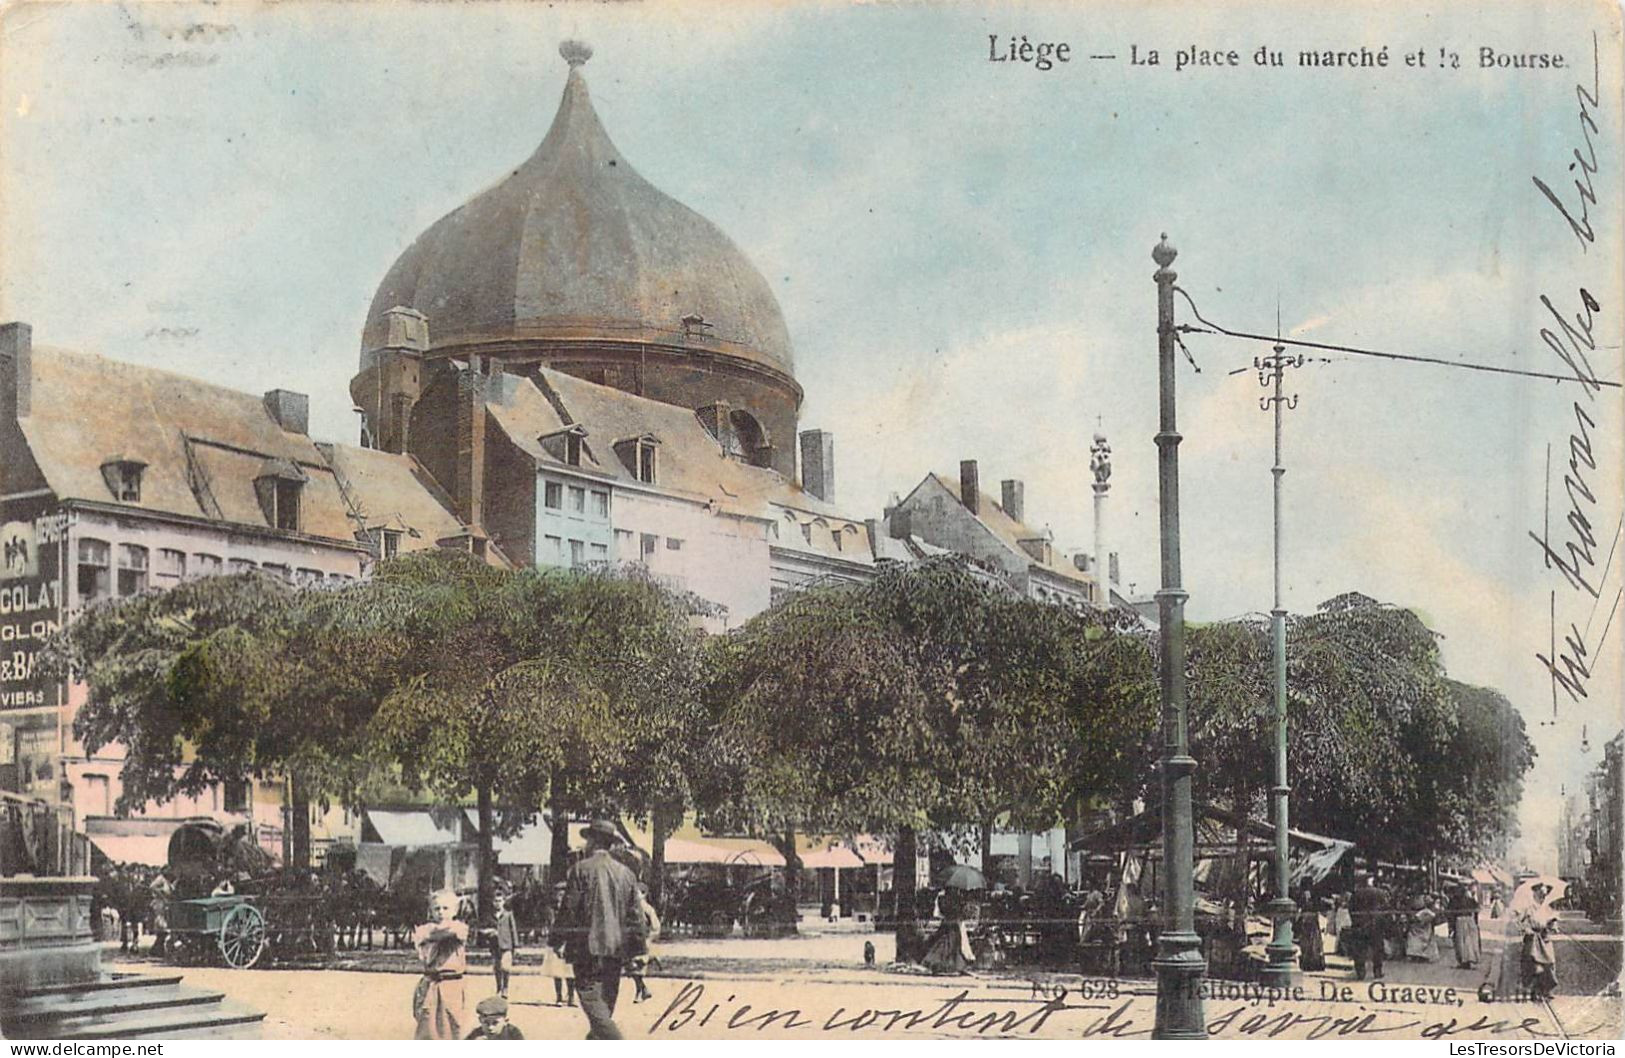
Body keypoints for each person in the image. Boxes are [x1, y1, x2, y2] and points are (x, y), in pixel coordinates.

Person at [551, 819, 647, 1040]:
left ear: (592, 842)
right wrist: (638, 950)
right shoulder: (626, 874)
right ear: (611, 844)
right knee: (603, 1012)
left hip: (586, 952)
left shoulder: (580, 870)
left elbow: (568, 910)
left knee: (599, 1016)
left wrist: (556, 941)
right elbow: (636, 918)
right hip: (616, 953)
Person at [411, 889, 470, 1040]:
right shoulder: (425, 928)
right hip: (431, 982)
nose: (441, 912)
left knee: (452, 1025)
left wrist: (432, 935)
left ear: (455, 910)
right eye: (437, 908)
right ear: (430, 910)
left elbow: (454, 933)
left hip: (451, 983)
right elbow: (423, 936)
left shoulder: (460, 927)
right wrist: (432, 934)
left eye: (446, 908)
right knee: (427, 1025)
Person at [1509, 881, 1559, 1000]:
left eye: (1545, 895)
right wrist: (1526, 929)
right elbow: (1518, 921)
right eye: (1541, 894)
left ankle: (1546, 989)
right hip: (1532, 939)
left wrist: (1553, 926)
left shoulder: (1548, 909)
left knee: (1549, 963)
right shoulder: (1528, 909)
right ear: (1534, 894)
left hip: (1545, 938)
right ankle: (1534, 990)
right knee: (1533, 964)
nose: (1543, 897)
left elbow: (1553, 923)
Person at [1348, 871, 1389, 981]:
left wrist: (1355, 921)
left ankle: (1360, 972)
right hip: (1376, 925)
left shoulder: (1356, 894)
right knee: (1377, 949)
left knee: (1360, 949)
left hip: (1360, 925)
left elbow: (1351, 909)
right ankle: (1377, 971)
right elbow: (1386, 908)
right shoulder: (1380, 893)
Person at [482, 885, 519, 998]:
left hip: (506, 945)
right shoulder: (489, 916)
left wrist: (516, 946)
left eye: (500, 901)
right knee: (497, 968)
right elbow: (483, 929)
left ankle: (506, 988)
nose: (498, 903)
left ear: (503, 901)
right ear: (493, 902)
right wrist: (488, 932)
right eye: (495, 901)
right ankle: (499, 987)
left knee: (505, 967)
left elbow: (513, 930)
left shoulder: (508, 915)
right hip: (494, 945)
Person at [627, 883, 660, 1003]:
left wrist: (649, 939)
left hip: (643, 941)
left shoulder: (647, 909)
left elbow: (656, 927)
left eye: (637, 893)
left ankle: (639, 992)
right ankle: (644, 989)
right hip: (632, 941)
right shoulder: (630, 908)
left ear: (643, 894)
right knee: (630, 967)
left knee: (637, 966)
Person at [1446, 885, 1482, 969]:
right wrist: (1476, 922)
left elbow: (1450, 914)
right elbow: (1477, 910)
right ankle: (1469, 960)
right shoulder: (1470, 900)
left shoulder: (1454, 901)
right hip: (1470, 921)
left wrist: (1451, 926)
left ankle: (1463, 961)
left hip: (1460, 921)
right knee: (1469, 941)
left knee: (1460, 942)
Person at [1295, 887, 1326, 972]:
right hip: (1309, 924)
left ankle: (1309, 964)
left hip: (1309, 925)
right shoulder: (1312, 901)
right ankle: (1312, 964)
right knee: (1312, 945)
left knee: (1310, 945)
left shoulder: (1304, 902)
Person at [1405, 892, 1439, 962]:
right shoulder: (1423, 908)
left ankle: (1421, 954)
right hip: (1421, 923)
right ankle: (1417, 954)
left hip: (1423, 922)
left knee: (1422, 937)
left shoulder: (1426, 908)